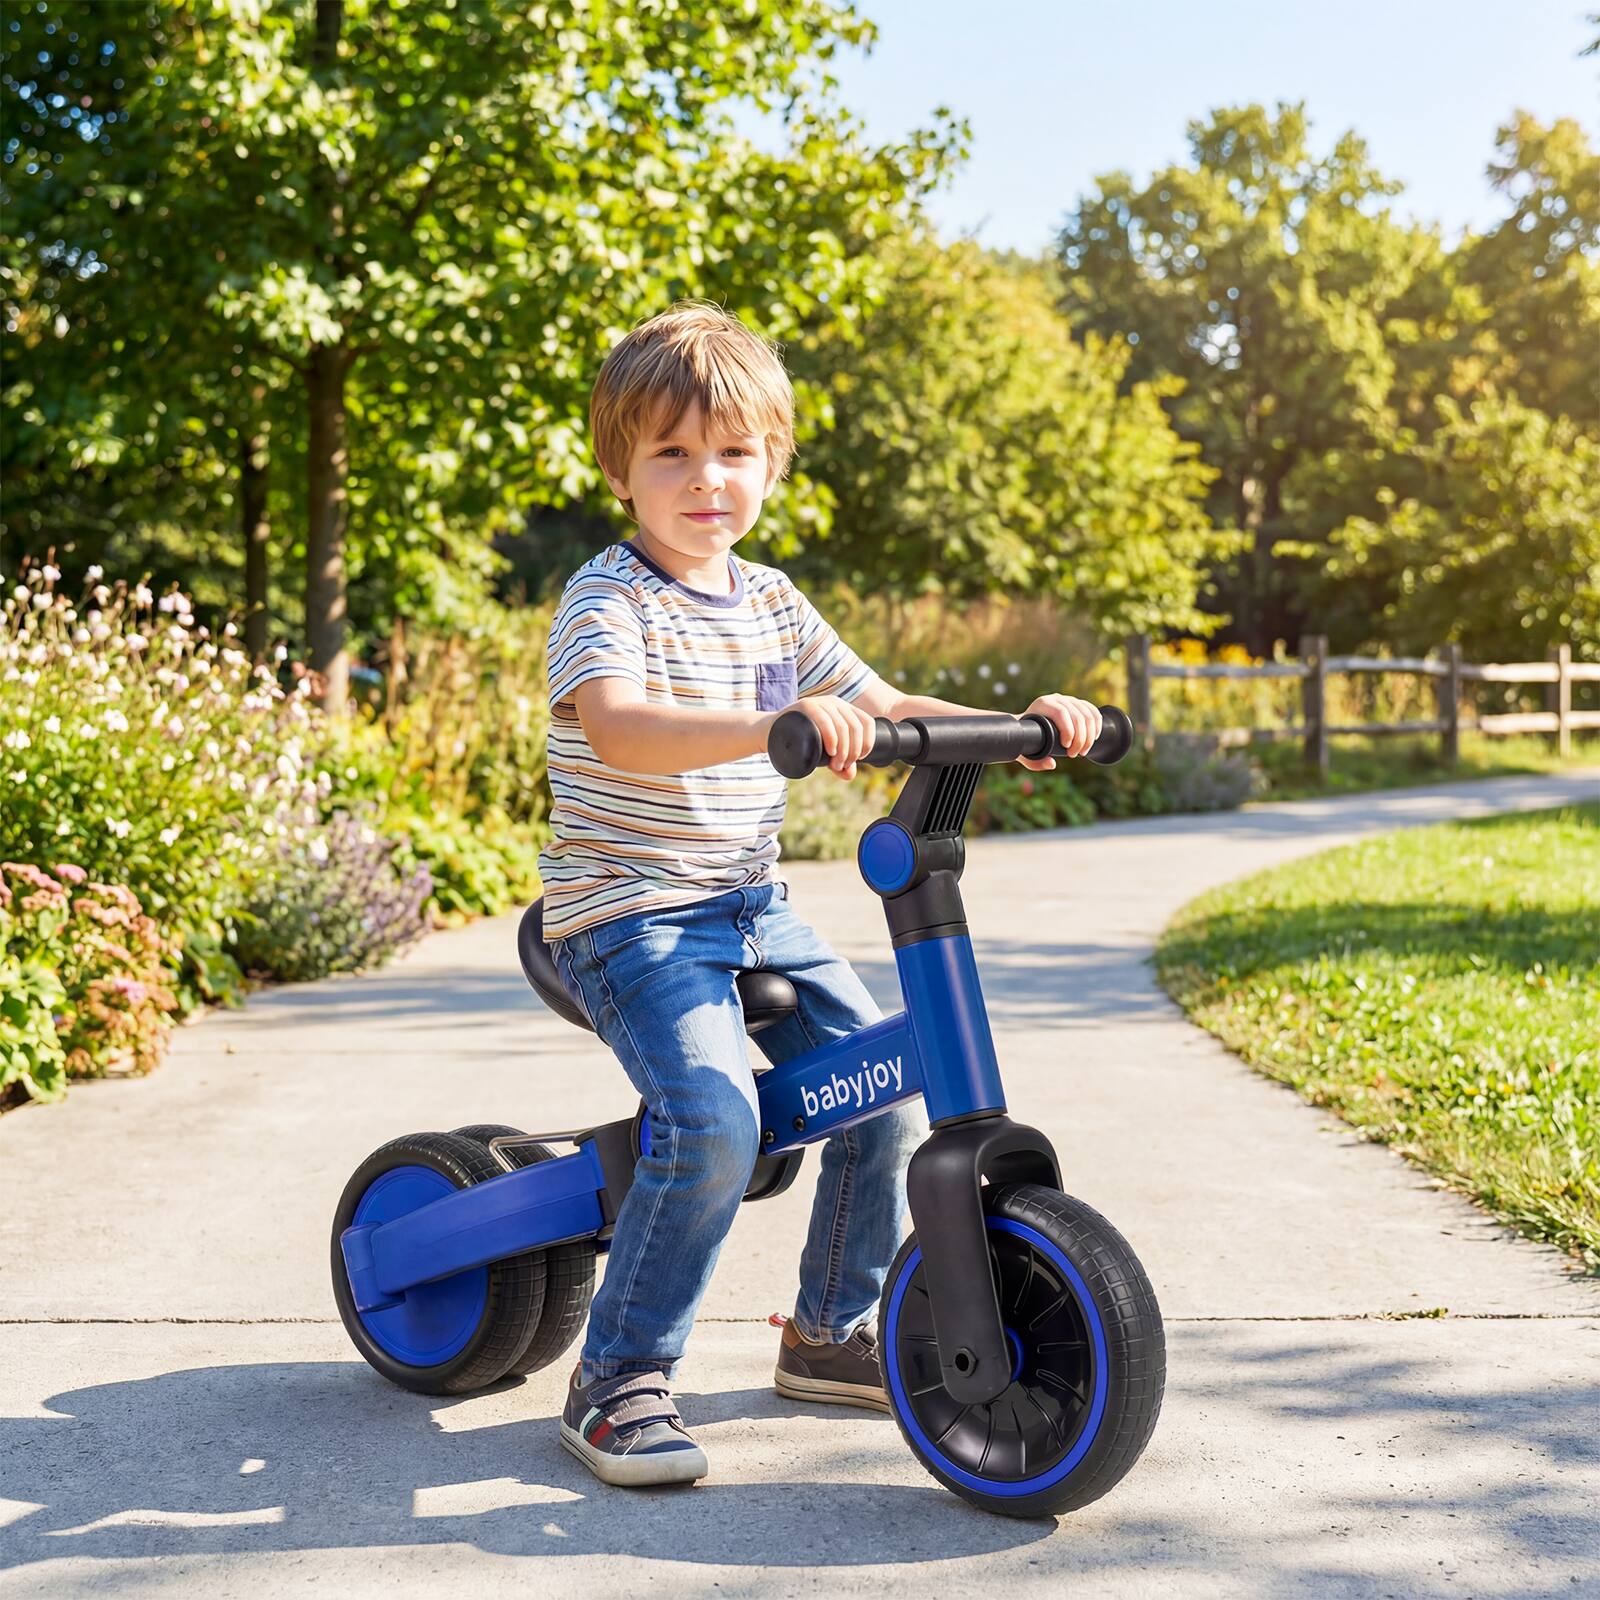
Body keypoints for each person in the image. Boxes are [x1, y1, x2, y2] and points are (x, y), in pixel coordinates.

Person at [539, 300, 1104, 1487]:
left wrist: (1031, 724)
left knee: (887, 1074)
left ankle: (826, 1327)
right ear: (623, 471)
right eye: (674, 455)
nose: (708, 481)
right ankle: (617, 1375)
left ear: (773, 462)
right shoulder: (607, 601)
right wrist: (771, 722)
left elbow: (889, 705)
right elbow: (621, 728)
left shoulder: (774, 602)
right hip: (624, 915)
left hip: (744, 907)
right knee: (715, 1119)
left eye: (735, 453)